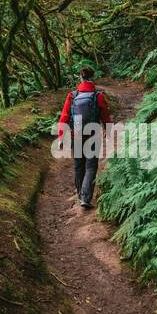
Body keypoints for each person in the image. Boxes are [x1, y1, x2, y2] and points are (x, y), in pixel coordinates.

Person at [57, 66, 113, 208]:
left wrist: (61, 138)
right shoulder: (98, 96)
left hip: (76, 134)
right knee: (91, 166)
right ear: (92, 78)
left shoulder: (72, 96)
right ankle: (85, 198)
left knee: (78, 166)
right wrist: (109, 132)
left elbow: (64, 117)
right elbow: (105, 116)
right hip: (93, 134)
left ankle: (81, 195)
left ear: (80, 78)